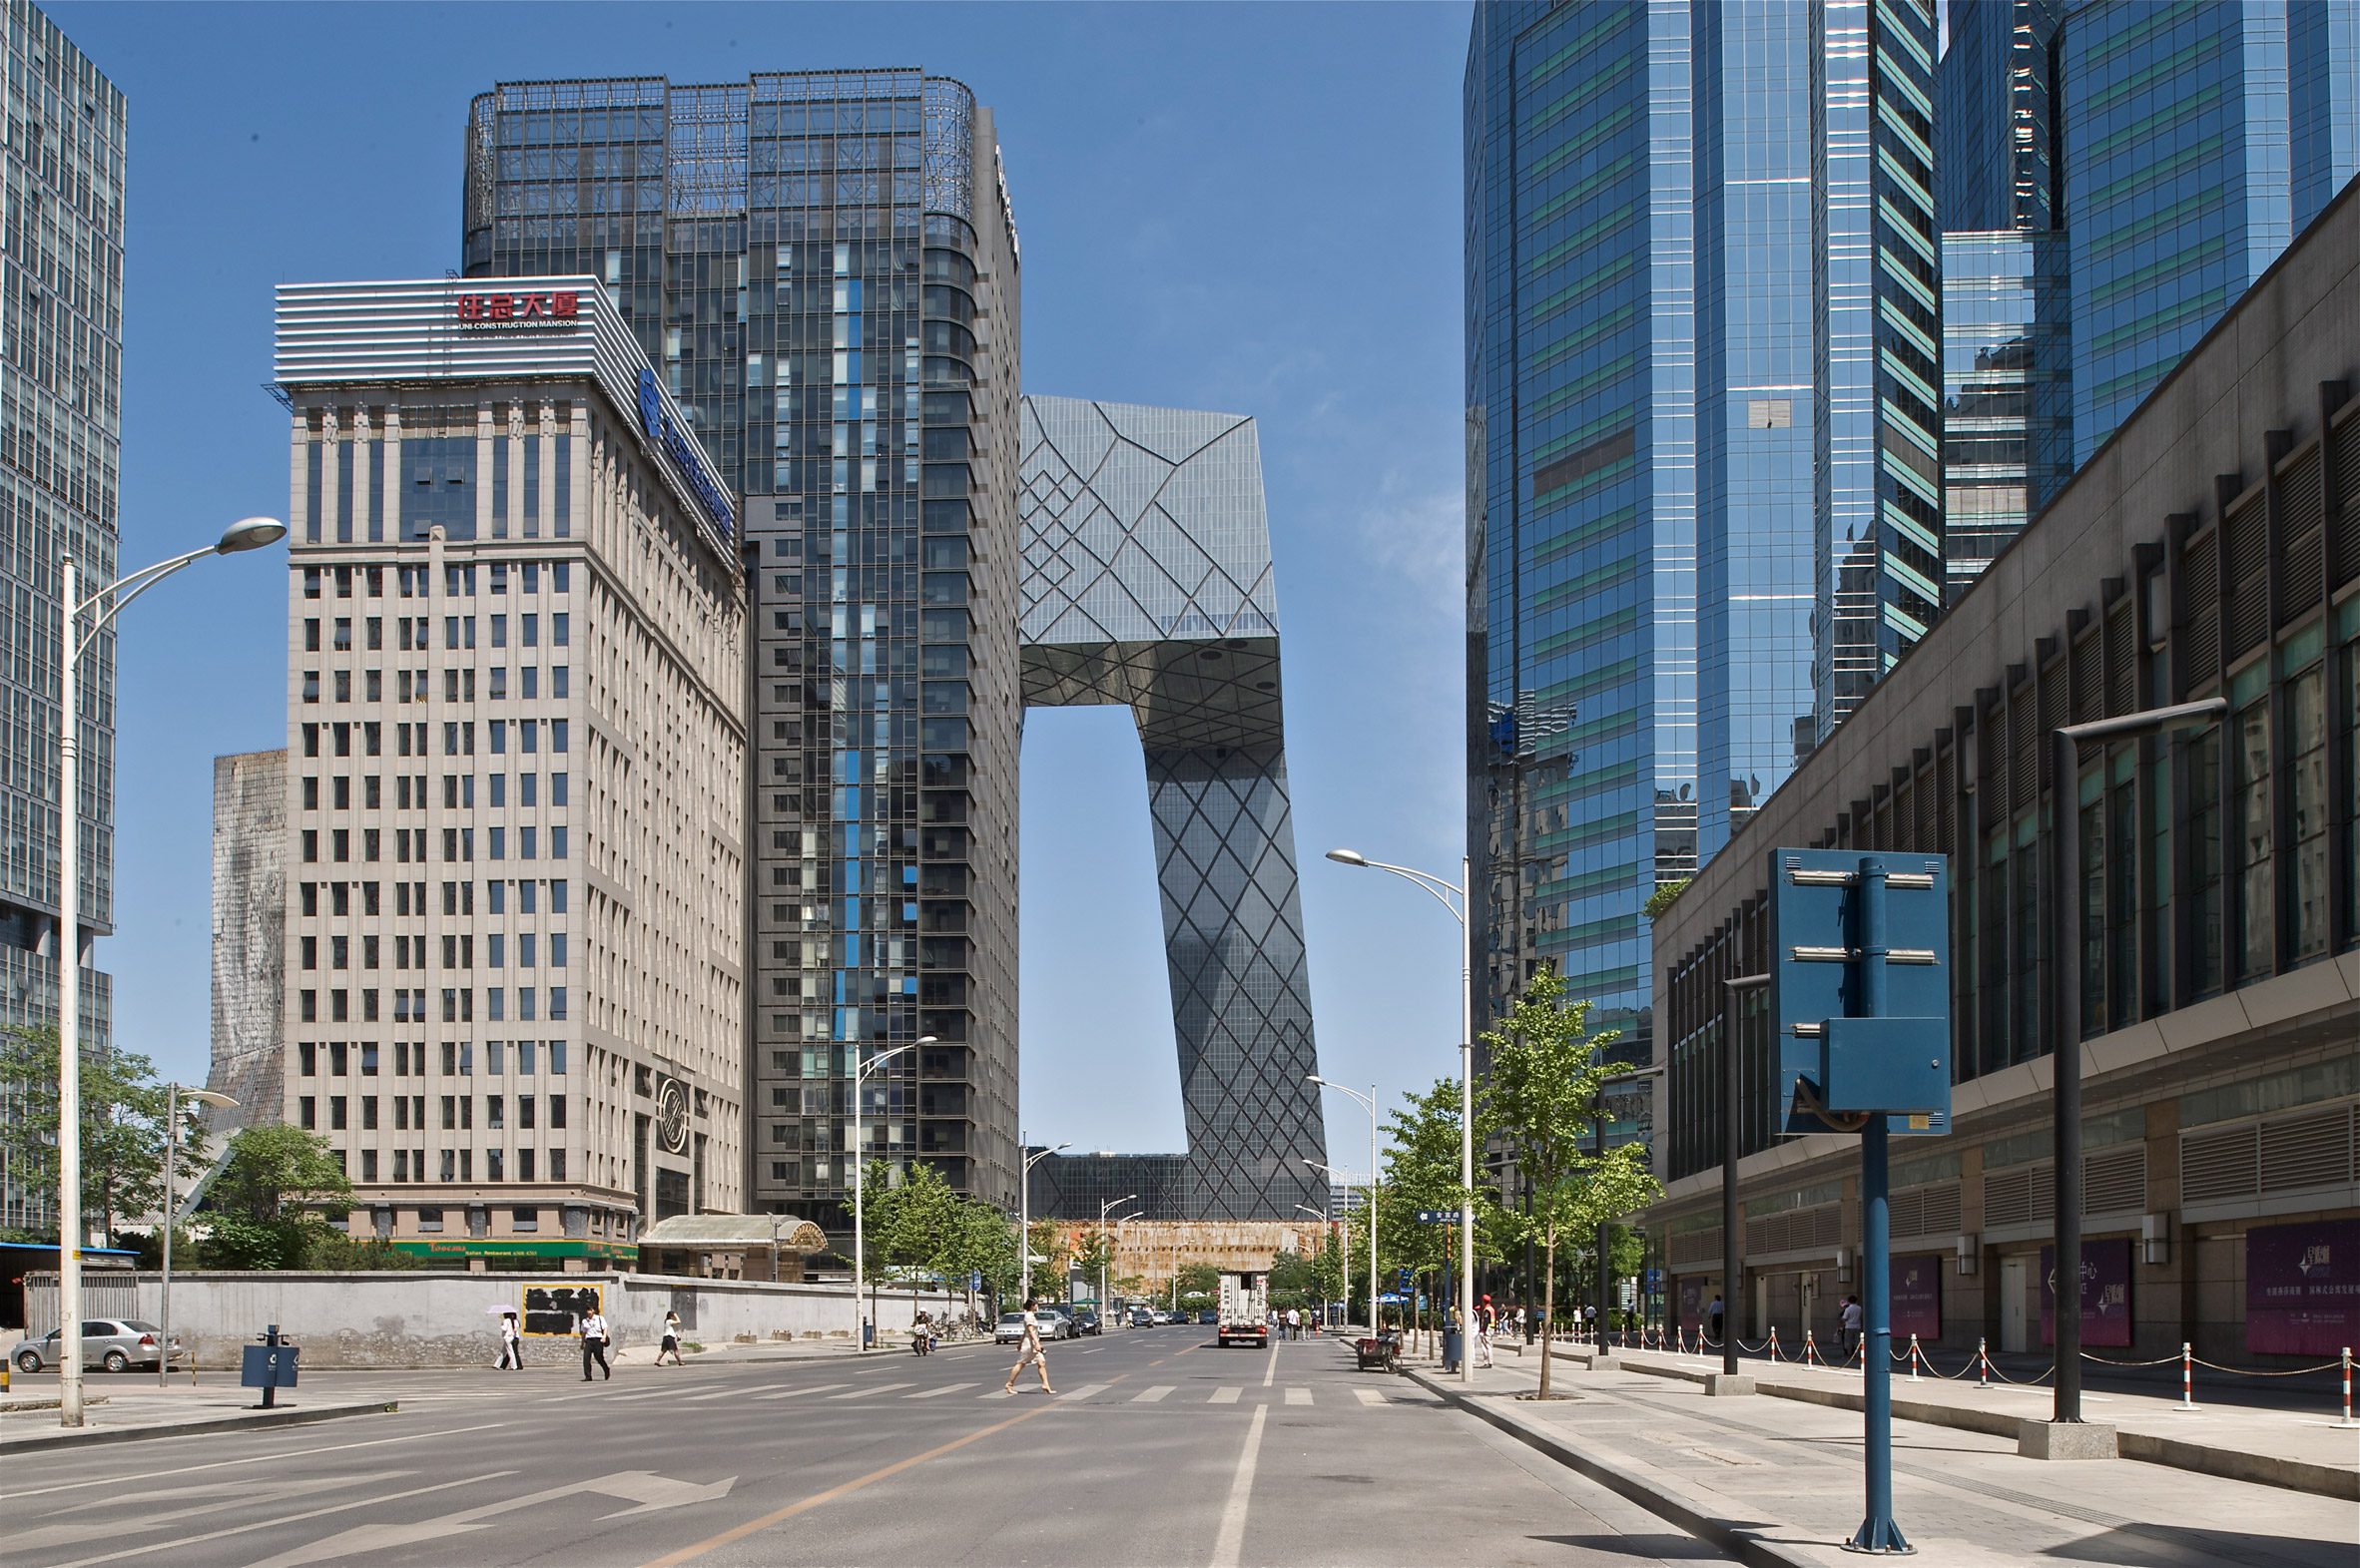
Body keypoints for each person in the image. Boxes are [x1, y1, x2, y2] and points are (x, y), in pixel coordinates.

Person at [1002, 1297, 1055, 1394]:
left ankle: (1045, 1384)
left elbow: (1025, 1331)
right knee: (1021, 1363)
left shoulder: (1031, 1315)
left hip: (1031, 1343)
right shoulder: (1029, 1316)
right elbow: (1030, 1331)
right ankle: (1009, 1384)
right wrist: (1037, 1343)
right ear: (1032, 1306)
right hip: (1030, 1345)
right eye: (1036, 1305)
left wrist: (1020, 1343)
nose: (1037, 1306)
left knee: (1041, 1363)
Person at [578, 1304, 613, 1381]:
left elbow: (605, 1328)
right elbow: (584, 1333)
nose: (589, 1312)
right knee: (586, 1358)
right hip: (589, 1341)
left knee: (599, 1357)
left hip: (598, 1340)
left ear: (594, 1310)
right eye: (588, 1310)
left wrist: (604, 1336)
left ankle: (606, 1369)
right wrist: (582, 1343)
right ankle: (588, 1376)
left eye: (590, 1310)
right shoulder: (584, 1321)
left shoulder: (600, 1318)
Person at [1840, 1295, 1864, 1361]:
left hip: (1849, 1326)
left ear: (1849, 1301)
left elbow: (1844, 1318)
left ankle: (1849, 1355)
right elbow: (1861, 1317)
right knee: (1857, 1341)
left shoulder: (1848, 1309)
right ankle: (1858, 1355)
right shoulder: (1859, 1308)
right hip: (1857, 1326)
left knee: (1848, 1341)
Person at [1475, 1294, 1495, 1368]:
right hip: (1491, 1329)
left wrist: (1482, 1330)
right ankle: (1490, 1362)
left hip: (1487, 1330)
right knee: (1489, 1346)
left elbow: (1486, 1321)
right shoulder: (1492, 1309)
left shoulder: (1486, 1310)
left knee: (1485, 1346)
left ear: (1483, 1301)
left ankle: (1487, 1362)